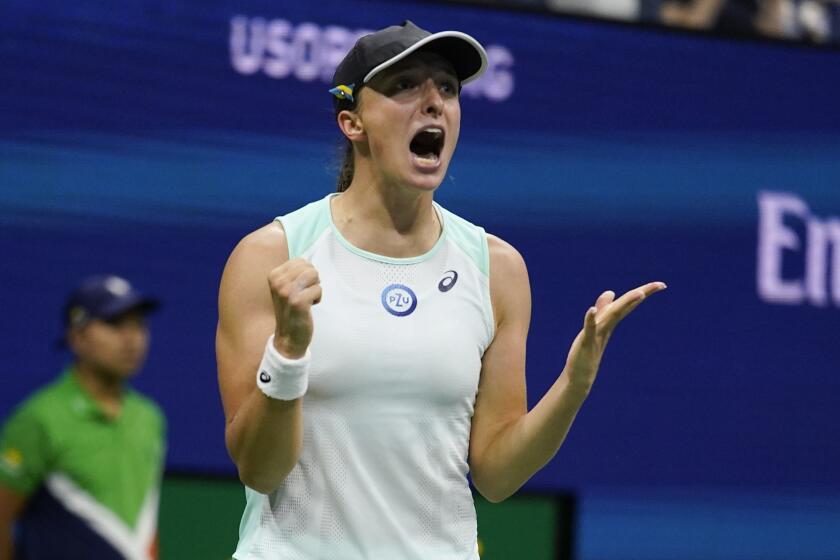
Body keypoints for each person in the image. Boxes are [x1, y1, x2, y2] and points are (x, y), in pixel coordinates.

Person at [216, 20, 666, 559]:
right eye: (405, 85)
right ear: (351, 121)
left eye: (447, 89)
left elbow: (497, 474)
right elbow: (260, 470)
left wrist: (575, 382)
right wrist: (287, 353)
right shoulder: (272, 256)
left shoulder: (495, 268)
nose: (433, 103)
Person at [0, 275, 166, 560]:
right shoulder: (39, 419)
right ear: (77, 338)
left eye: (138, 325)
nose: (132, 339)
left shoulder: (149, 418)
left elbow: (145, 521)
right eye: (114, 324)